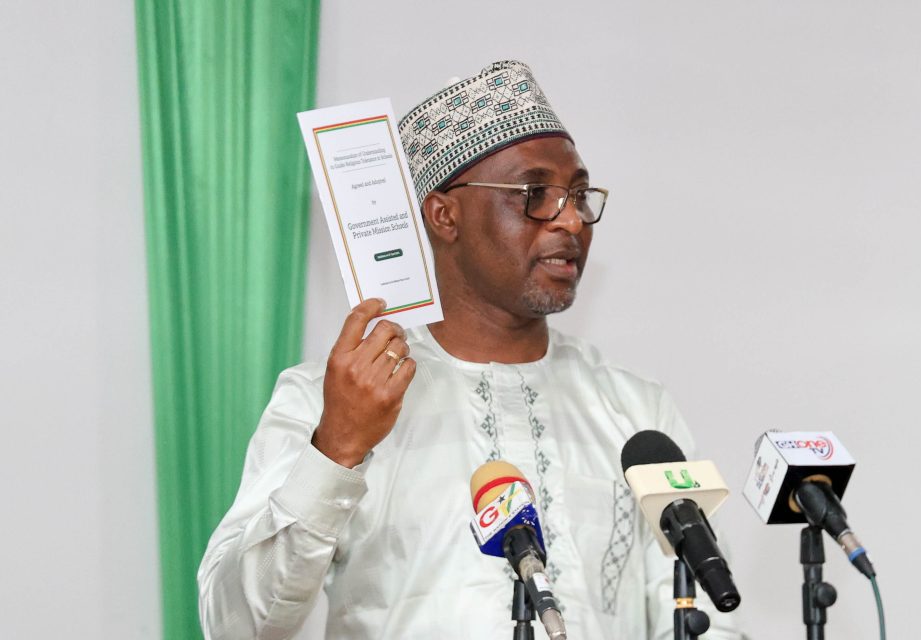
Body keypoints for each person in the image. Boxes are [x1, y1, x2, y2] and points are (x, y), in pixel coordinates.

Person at [198, 60, 742, 639]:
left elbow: (704, 617)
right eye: (535, 194)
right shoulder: (331, 399)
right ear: (444, 215)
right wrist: (336, 449)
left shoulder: (636, 411)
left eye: (579, 196)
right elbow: (236, 625)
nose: (571, 221)